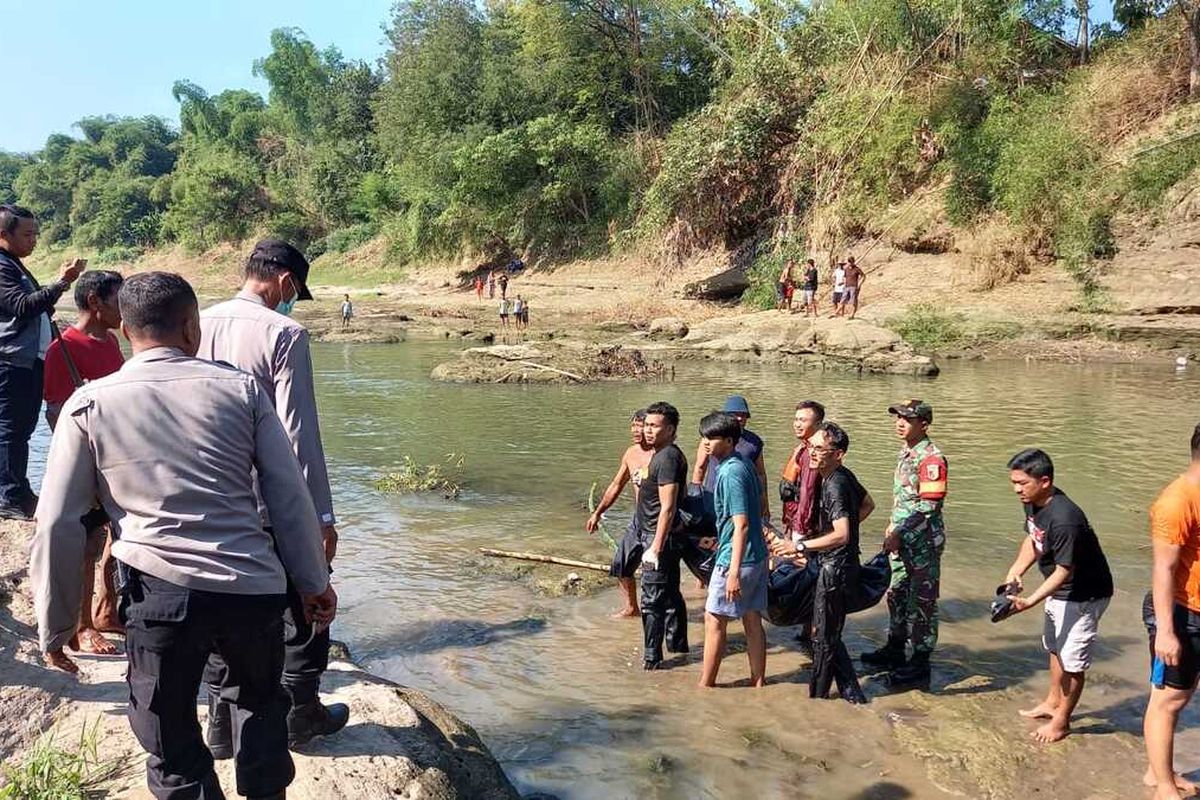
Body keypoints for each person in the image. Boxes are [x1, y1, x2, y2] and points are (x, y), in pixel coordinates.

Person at [31, 271, 337, 800]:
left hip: (159, 595)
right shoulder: (242, 392)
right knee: (261, 706)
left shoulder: (89, 404)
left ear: (125, 330)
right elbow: (289, 498)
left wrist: (56, 627)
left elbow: (57, 522)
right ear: (192, 327)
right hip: (252, 587)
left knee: (170, 735)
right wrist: (313, 582)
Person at [198, 239, 349, 754]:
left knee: (225, 605)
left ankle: (219, 724)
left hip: (212, 493)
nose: (293, 300)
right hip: (270, 498)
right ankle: (300, 712)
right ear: (286, 282)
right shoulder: (285, 332)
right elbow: (298, 433)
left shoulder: (198, 321)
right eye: (295, 291)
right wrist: (320, 516)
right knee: (307, 602)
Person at [40, 269, 126, 669]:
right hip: (85, 459)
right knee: (87, 544)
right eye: (117, 300)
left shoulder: (110, 342)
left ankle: (108, 610)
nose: (123, 308)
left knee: (117, 536)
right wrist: (84, 465)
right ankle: (82, 624)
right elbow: (56, 411)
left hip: (117, 454)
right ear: (95, 302)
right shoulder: (64, 348)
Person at [999, 448, 1113, 744]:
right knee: (1055, 646)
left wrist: (1030, 601)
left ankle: (1062, 722)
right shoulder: (1034, 502)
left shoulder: (1066, 519)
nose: (1016, 489)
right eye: (1014, 482)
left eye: (1022, 483)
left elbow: (1065, 570)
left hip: (1084, 593)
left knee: (1073, 660)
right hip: (1059, 589)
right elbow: (1034, 538)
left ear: (1045, 481)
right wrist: (1016, 570)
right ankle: (1052, 702)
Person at [770, 421, 873, 703]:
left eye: (819, 448)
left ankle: (822, 699)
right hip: (836, 563)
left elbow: (841, 535)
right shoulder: (840, 475)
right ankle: (848, 695)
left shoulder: (835, 485)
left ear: (838, 454)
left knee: (824, 637)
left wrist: (800, 545)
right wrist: (823, 538)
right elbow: (868, 505)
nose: (812, 453)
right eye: (810, 447)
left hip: (835, 569)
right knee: (825, 634)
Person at [0, 204, 85, 519]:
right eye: (27, 234)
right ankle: (8, 497)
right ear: (3, 234)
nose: (33, 240)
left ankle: (19, 490)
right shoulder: (2, 266)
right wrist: (62, 283)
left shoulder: (15, 264)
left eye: (35, 233)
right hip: (10, 359)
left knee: (22, 428)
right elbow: (22, 307)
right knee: (10, 429)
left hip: (27, 360)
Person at [863, 400, 947, 690]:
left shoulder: (931, 458)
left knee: (922, 601)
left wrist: (900, 531)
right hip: (901, 539)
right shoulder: (906, 452)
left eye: (907, 419)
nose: (899, 423)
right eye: (898, 417)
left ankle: (920, 662)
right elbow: (904, 499)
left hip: (922, 541)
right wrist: (892, 526)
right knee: (897, 593)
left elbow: (929, 506)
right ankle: (895, 648)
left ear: (923, 424)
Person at [1143, 424, 1200, 800]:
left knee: (1182, 695)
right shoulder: (1177, 502)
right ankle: (1163, 785)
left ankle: (1156, 768)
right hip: (1180, 615)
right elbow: (1162, 569)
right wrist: (1166, 631)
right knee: (1168, 699)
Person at [698, 412, 768, 689]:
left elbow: (740, 524)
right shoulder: (743, 463)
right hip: (757, 555)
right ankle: (758, 682)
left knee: (714, 619)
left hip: (737, 559)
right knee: (752, 619)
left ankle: (706, 686)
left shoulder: (729, 472)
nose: (705, 443)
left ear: (729, 441)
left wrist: (733, 573)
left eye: (711, 438)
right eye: (703, 437)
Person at [587, 409, 653, 618]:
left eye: (640, 425)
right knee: (621, 565)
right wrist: (598, 513)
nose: (635, 430)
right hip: (639, 519)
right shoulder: (631, 453)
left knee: (656, 573)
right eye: (633, 425)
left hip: (660, 520)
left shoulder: (663, 454)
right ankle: (632, 608)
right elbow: (617, 484)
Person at [639, 401, 689, 669]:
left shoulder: (668, 457)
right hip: (658, 535)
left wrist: (655, 548)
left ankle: (652, 659)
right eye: (646, 425)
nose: (648, 430)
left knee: (651, 598)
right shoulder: (662, 454)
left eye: (654, 426)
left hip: (660, 538)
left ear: (670, 429)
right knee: (669, 593)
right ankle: (678, 646)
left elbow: (668, 507)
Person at [777, 400, 826, 654]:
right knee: (809, 577)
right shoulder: (802, 450)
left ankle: (813, 631)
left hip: (808, 529)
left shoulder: (813, 455)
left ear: (817, 424)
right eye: (795, 419)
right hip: (796, 523)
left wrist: (800, 533)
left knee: (812, 578)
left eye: (803, 420)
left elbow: (807, 494)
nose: (797, 424)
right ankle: (809, 629)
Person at [692, 395, 770, 524]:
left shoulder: (754, 442)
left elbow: (760, 474)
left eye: (743, 415)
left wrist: (764, 503)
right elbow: (700, 466)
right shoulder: (711, 438)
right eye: (735, 414)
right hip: (713, 493)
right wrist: (695, 496)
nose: (739, 418)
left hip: (742, 495)